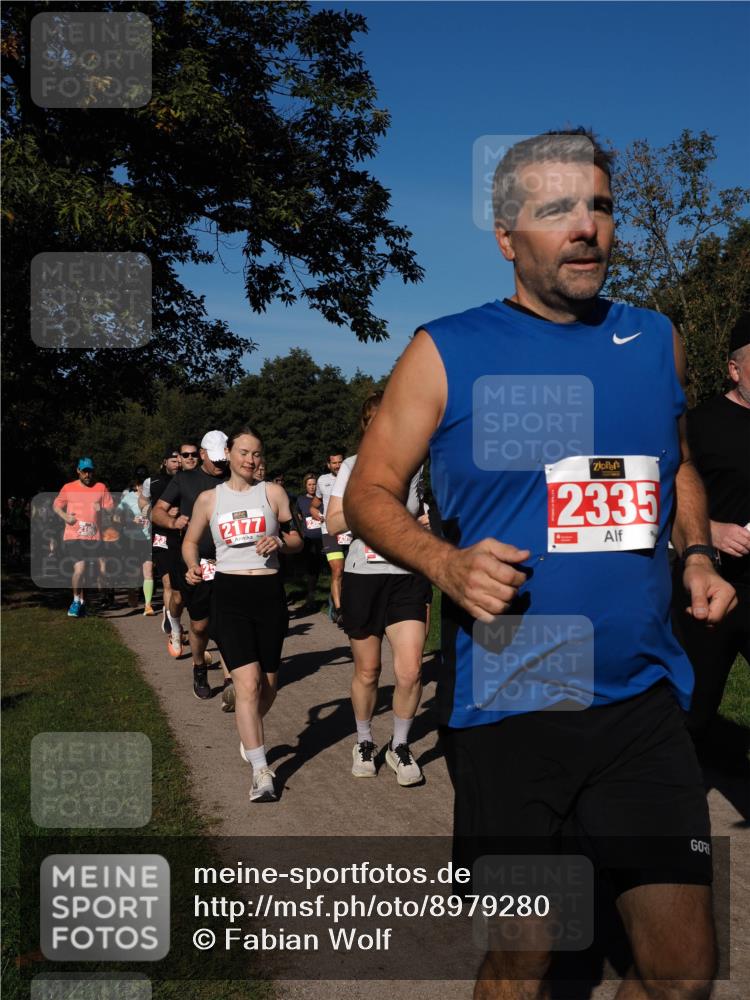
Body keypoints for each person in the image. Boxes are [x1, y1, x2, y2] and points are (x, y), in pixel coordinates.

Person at [344, 129, 737, 998]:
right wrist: (444, 563)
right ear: (506, 236)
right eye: (557, 209)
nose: (586, 226)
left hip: (641, 698)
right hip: (515, 697)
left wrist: (698, 553)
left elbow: (675, 465)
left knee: (683, 973)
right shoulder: (445, 350)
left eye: (600, 206)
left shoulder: (655, 339)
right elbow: (367, 492)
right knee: (525, 962)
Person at [182, 426, 302, 802]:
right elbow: (190, 541)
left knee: (268, 687)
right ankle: (260, 771)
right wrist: (192, 565)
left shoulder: (273, 493)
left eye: (257, 453)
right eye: (244, 452)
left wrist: (280, 541)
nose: (251, 459)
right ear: (229, 454)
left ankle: (249, 734)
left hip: (268, 594)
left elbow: (297, 539)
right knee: (247, 684)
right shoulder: (209, 499)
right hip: (230, 594)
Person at [326, 392, 431, 786]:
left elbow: (428, 512)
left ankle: (399, 746)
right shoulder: (351, 466)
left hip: (407, 576)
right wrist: (371, 510)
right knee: (368, 671)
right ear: (365, 425)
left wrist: (423, 522)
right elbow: (333, 523)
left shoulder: (416, 465)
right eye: (374, 420)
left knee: (411, 670)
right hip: (363, 575)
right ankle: (365, 741)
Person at [671, 313, 750, 744]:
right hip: (710, 586)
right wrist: (711, 530)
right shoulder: (699, 424)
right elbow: (666, 492)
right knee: (692, 710)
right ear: (734, 370)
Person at [152, 431, 230, 701]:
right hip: (194, 561)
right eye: (215, 460)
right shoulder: (184, 479)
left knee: (227, 623)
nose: (220, 465)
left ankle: (231, 679)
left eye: (224, 459)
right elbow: (157, 511)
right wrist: (173, 522)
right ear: (203, 455)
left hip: (229, 562)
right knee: (198, 625)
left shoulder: (233, 478)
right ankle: (198, 666)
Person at [53, 458, 114, 617]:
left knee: (86, 572)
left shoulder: (100, 487)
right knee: (79, 568)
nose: (87, 474)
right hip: (74, 535)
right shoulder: (68, 487)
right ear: (78, 471)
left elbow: (110, 509)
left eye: (90, 471)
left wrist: (101, 509)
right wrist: (65, 516)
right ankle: (75, 601)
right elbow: (56, 505)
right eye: (85, 471)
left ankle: (82, 603)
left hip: (93, 537)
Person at [142, 447, 183, 637]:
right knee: (167, 582)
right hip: (161, 535)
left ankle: (173, 614)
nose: (177, 464)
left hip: (183, 535)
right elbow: (142, 503)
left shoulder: (187, 479)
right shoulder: (151, 482)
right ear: (165, 462)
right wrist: (154, 514)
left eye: (179, 461)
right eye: (173, 461)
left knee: (180, 585)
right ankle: (170, 620)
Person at [310, 449, 348, 624]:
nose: (337, 465)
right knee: (338, 570)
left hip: (351, 531)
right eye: (334, 463)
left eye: (340, 462)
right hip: (330, 531)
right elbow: (314, 505)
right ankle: (339, 611)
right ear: (328, 465)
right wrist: (315, 513)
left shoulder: (352, 476)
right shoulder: (322, 480)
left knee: (350, 573)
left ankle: (337, 603)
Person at [116, 466, 154, 613]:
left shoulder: (153, 496)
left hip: (147, 539)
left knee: (148, 571)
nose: (144, 487)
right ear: (137, 485)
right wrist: (130, 520)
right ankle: (132, 591)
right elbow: (116, 517)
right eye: (141, 484)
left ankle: (148, 605)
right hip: (131, 539)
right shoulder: (128, 497)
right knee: (134, 572)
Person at [295, 472, 325, 611]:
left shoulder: (322, 499)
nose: (312, 487)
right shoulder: (301, 500)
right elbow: (298, 514)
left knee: (327, 567)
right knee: (312, 568)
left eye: (314, 484)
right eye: (310, 484)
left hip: (324, 537)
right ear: (305, 486)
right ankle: (311, 597)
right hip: (309, 539)